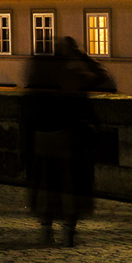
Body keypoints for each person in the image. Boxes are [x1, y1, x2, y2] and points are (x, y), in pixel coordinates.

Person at [21, 35, 110, 245]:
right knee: (72, 185)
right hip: (68, 136)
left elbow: (27, 108)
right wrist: (81, 55)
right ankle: (69, 231)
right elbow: (101, 77)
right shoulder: (72, 73)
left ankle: (46, 231)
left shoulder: (38, 73)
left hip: (42, 136)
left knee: (46, 184)